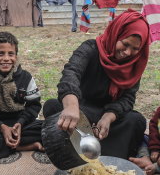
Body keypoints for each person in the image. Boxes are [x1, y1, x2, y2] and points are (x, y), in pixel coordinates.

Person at [43, 9, 150, 159]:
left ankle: (93, 152)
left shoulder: (134, 64)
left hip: (109, 120)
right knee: (53, 107)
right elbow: (71, 73)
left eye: (135, 49)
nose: (127, 52)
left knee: (136, 121)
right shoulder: (90, 48)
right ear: (116, 34)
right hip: (81, 113)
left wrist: (108, 117)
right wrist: (72, 106)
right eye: (125, 44)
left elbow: (128, 99)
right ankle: (101, 150)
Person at [0, 31, 44, 159]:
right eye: (0, 54)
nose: (6, 58)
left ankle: (10, 143)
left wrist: (20, 124)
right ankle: (23, 146)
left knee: (48, 130)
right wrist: (1, 127)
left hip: (21, 125)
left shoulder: (25, 77)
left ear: (16, 57)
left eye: (11, 54)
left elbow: (34, 106)